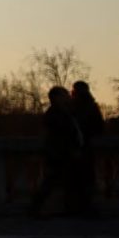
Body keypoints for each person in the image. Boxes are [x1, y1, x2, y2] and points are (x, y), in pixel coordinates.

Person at [33, 84, 84, 218]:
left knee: (57, 182)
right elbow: (60, 136)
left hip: (61, 153)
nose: (68, 96)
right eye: (65, 94)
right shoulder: (56, 114)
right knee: (52, 182)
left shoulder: (62, 112)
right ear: (57, 98)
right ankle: (38, 209)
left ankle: (43, 208)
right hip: (60, 154)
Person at [71, 79, 107, 215]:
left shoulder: (73, 107)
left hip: (79, 146)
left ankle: (79, 206)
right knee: (87, 178)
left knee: (78, 178)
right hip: (87, 147)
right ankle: (87, 206)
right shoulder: (91, 106)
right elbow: (100, 128)